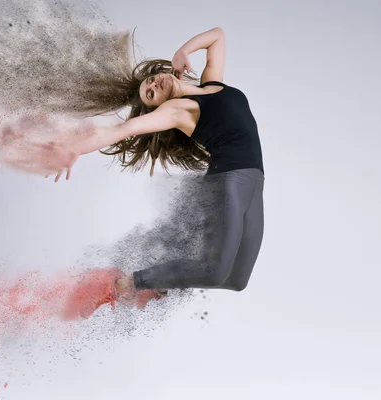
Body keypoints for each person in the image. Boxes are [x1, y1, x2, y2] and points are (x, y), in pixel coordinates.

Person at [31, 27, 266, 318]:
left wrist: (182, 51)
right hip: (228, 181)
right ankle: (125, 284)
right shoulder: (179, 110)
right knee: (214, 272)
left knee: (237, 280)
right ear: (159, 106)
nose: (154, 87)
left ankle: (157, 285)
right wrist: (76, 148)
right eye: (151, 95)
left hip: (255, 182)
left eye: (150, 83)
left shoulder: (211, 84)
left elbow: (218, 36)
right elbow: (121, 130)